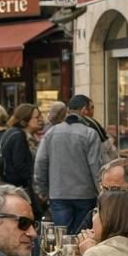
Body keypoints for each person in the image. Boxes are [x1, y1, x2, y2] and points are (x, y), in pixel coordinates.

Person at [33, 94, 104, 235]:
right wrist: (101, 192)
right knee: (81, 235)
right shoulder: (90, 133)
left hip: (58, 193)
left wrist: (42, 189)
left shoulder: (51, 133)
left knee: (62, 235)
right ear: (84, 110)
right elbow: (96, 166)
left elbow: (40, 163)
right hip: (85, 194)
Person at [0, 103, 41, 200]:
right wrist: (29, 182)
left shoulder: (11, 131)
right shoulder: (19, 136)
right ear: (25, 120)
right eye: (36, 117)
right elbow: (19, 165)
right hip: (17, 188)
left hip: (12, 185)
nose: (40, 120)